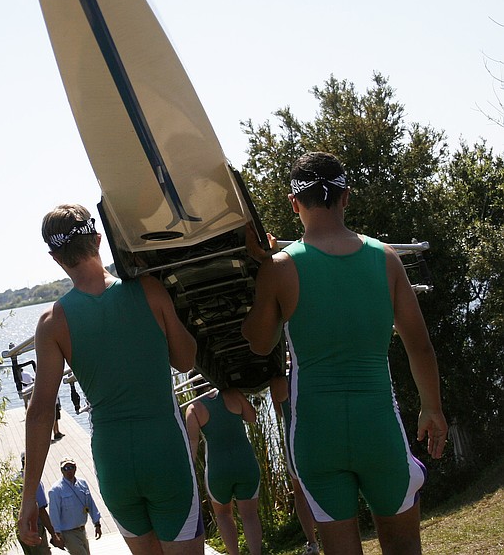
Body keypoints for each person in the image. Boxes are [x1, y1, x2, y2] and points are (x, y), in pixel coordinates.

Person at [241, 152, 448, 555]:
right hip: (378, 427)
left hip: (317, 435)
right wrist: (431, 407)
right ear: (346, 198)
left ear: (294, 203)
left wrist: (258, 271)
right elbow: (419, 344)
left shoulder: (280, 267)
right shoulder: (385, 259)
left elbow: (259, 342)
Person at [18, 203, 204, 555]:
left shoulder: (52, 322)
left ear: (55, 257)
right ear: (99, 240)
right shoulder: (149, 290)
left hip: (113, 460)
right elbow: (186, 360)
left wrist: (29, 499)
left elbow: (40, 413)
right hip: (165, 451)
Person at [185, 385, 263, 555]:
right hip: (245, 463)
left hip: (218, 469)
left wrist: (187, 473)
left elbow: (192, 443)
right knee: (249, 515)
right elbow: (252, 417)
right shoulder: (233, 393)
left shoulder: (194, 408)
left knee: (223, 515)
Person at [269, 375, 319, 555]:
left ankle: (313, 542)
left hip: (294, 439)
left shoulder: (277, 380)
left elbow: (280, 412)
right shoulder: (306, 369)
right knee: (322, 486)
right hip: (315, 434)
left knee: (299, 491)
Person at [47, 458, 102, 554]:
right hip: (68, 533)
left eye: (71, 467)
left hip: (82, 530)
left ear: (75, 468)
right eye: (65, 468)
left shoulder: (82, 483)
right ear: (62, 471)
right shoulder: (56, 490)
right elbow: (54, 513)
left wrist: (97, 524)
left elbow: (90, 504)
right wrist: (56, 534)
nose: (69, 470)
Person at [18, 453, 59, 554]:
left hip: (21, 529)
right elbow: (41, 510)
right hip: (34, 527)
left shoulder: (14, 480)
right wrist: (53, 533)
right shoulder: (34, 483)